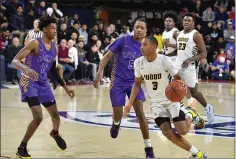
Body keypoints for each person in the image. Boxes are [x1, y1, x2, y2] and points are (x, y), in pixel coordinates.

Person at [124, 36, 207, 158]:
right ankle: (197, 154)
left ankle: (190, 114)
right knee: (167, 132)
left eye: (145, 44)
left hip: (171, 100)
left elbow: (178, 78)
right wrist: (129, 104)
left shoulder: (164, 60)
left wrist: (185, 95)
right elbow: (137, 84)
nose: (141, 47)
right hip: (155, 103)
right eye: (141, 45)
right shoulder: (138, 62)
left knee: (182, 131)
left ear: (154, 46)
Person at [11, 16, 75, 158]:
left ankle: (55, 133)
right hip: (29, 82)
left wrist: (65, 87)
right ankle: (22, 147)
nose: (55, 31)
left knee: (56, 116)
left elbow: (52, 70)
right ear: (45, 29)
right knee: (38, 116)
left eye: (55, 28)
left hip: (43, 83)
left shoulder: (54, 48)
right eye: (52, 28)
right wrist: (26, 69)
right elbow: (15, 60)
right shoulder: (35, 43)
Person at [93, 18, 155, 158]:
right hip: (118, 82)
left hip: (135, 83)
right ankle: (116, 123)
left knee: (140, 113)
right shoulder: (123, 40)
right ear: (133, 28)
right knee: (118, 112)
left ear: (146, 31)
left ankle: (148, 147)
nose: (138, 30)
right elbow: (107, 56)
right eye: (136, 27)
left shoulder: (147, 46)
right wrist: (99, 73)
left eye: (141, 28)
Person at [169, 13, 214, 124]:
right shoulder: (179, 34)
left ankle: (207, 107)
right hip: (178, 65)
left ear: (193, 23)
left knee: (194, 93)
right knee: (172, 88)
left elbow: (203, 53)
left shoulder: (196, 35)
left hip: (190, 66)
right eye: (185, 20)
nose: (186, 22)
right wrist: (167, 54)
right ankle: (174, 113)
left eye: (189, 20)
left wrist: (190, 59)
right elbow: (179, 51)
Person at [162, 11, 197, 108]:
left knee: (177, 83)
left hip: (175, 60)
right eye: (166, 21)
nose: (167, 23)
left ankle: (185, 101)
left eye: (170, 21)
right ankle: (180, 101)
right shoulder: (164, 33)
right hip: (167, 60)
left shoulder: (176, 32)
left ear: (173, 23)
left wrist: (170, 46)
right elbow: (166, 49)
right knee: (172, 83)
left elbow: (182, 45)